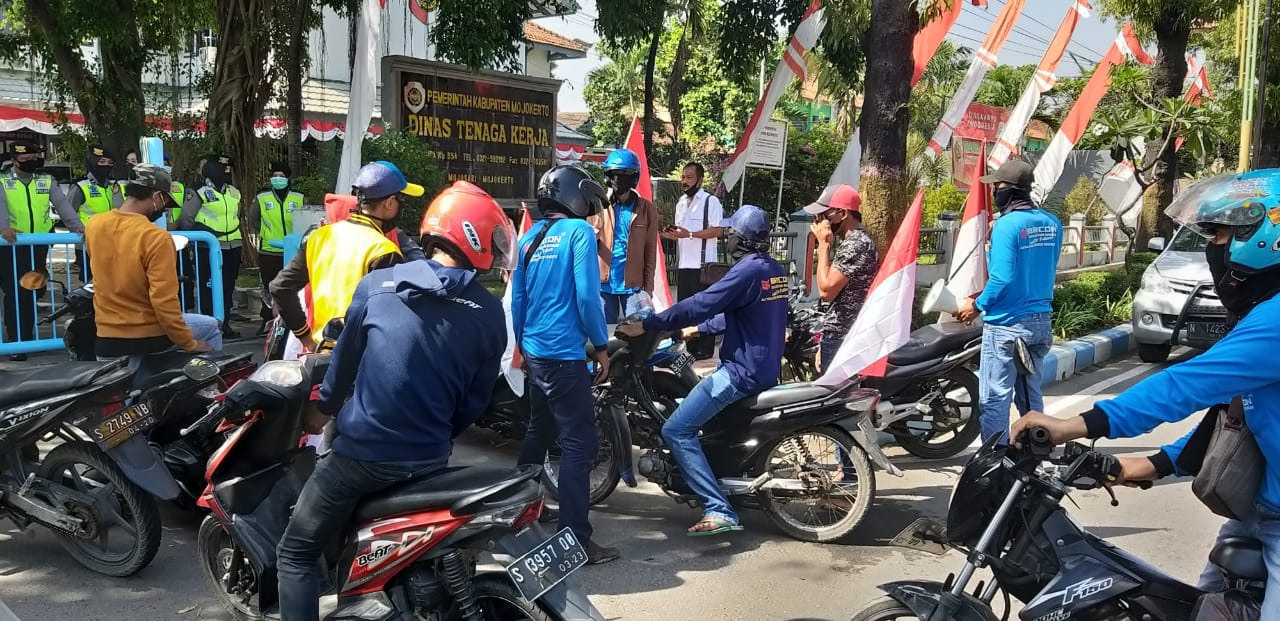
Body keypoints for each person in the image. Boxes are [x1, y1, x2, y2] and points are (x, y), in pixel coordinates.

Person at [1010, 170, 1280, 620]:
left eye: (1219, 234)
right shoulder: (1265, 311)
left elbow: (1186, 385)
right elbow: (1234, 420)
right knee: (1198, 609)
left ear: (1264, 235)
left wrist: (1074, 425)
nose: (1212, 248)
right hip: (1258, 509)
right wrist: (1151, 463)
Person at [275, 182, 513, 621]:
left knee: (295, 553)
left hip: (361, 456)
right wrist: (436, 432)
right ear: (476, 239)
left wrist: (319, 413)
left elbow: (342, 369)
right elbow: (476, 400)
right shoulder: (489, 310)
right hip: (430, 457)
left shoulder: (378, 286)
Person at [618, 204, 788, 535]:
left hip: (740, 373)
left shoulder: (747, 271)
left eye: (730, 233)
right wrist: (698, 329)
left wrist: (651, 324)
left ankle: (718, 508)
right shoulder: (773, 269)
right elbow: (741, 312)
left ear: (740, 238)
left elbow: (702, 303)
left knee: (676, 430)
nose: (727, 238)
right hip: (766, 368)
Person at [511, 165, 619, 565]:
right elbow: (588, 297)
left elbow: (518, 301)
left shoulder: (528, 238)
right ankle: (574, 539)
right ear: (575, 195)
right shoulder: (578, 233)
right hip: (564, 355)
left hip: (536, 352)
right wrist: (601, 345)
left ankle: (518, 509)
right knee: (579, 444)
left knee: (539, 430)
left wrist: (522, 346)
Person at [952, 159, 1062, 442]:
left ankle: (996, 460)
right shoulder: (1052, 223)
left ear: (1009, 190)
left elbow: (1001, 279)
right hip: (1041, 323)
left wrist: (976, 305)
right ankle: (1034, 452)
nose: (994, 192)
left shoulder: (1007, 226)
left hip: (1007, 326)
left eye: (997, 186)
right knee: (1030, 397)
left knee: (994, 400)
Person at [269, 160, 425, 352]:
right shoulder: (383, 250)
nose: (403, 206)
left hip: (321, 354)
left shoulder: (319, 237)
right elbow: (390, 319)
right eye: (402, 200)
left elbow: (279, 287)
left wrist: (307, 339)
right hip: (361, 358)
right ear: (390, 202)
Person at [85, 164, 217, 369]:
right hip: (149, 335)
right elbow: (164, 302)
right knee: (212, 327)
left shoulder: (94, 225)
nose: (164, 209)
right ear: (156, 196)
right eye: (165, 202)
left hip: (107, 337)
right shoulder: (155, 237)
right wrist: (190, 343)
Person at [0, 141, 83, 360]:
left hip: (38, 244)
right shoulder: (3, 180)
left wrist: (77, 227)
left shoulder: (46, 180)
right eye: (26, 159)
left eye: (35, 158)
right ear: (14, 161)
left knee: (34, 290)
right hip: (11, 246)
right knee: (17, 293)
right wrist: (3, 227)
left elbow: (63, 207)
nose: (32, 161)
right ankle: (18, 341)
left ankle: (26, 338)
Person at [804, 184, 876, 373]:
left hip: (845, 338)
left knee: (836, 392)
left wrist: (823, 244)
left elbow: (826, 291)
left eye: (823, 215)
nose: (818, 221)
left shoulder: (856, 245)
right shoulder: (853, 242)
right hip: (841, 334)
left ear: (842, 214)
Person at [177, 154, 244, 337]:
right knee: (208, 287)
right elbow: (186, 218)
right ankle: (209, 326)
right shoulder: (197, 191)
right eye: (222, 168)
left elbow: (237, 214)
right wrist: (200, 235)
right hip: (208, 247)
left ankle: (225, 323)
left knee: (228, 286)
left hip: (232, 245)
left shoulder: (233, 191)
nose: (226, 172)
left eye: (228, 168)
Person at [590, 148, 659, 323]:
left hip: (633, 287)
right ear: (607, 177)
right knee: (604, 334)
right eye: (614, 175)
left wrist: (648, 289)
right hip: (603, 286)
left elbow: (650, 252)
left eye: (625, 175)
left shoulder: (646, 209)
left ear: (634, 178)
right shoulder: (597, 206)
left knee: (635, 332)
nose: (618, 180)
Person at [664, 161, 724, 359]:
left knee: (704, 309)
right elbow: (681, 232)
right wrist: (672, 235)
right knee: (686, 309)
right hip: (684, 265)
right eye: (683, 177)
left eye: (689, 177)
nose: (685, 181)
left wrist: (690, 234)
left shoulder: (710, 201)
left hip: (703, 266)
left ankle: (704, 350)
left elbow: (718, 230)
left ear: (700, 179)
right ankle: (689, 348)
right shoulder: (681, 202)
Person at [249, 161, 301, 335]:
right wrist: (265, 234)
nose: (278, 179)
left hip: (292, 251)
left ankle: (292, 323)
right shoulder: (262, 198)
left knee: (292, 288)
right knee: (268, 287)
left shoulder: (298, 198)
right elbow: (253, 220)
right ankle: (267, 321)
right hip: (269, 250)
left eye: (281, 176)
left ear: (288, 178)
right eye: (275, 176)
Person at [68, 145, 124, 283]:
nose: (106, 166)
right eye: (102, 162)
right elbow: (68, 213)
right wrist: (79, 229)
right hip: (88, 245)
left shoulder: (114, 186)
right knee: (91, 285)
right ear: (92, 162)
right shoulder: (81, 186)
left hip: (113, 244)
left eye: (110, 163)